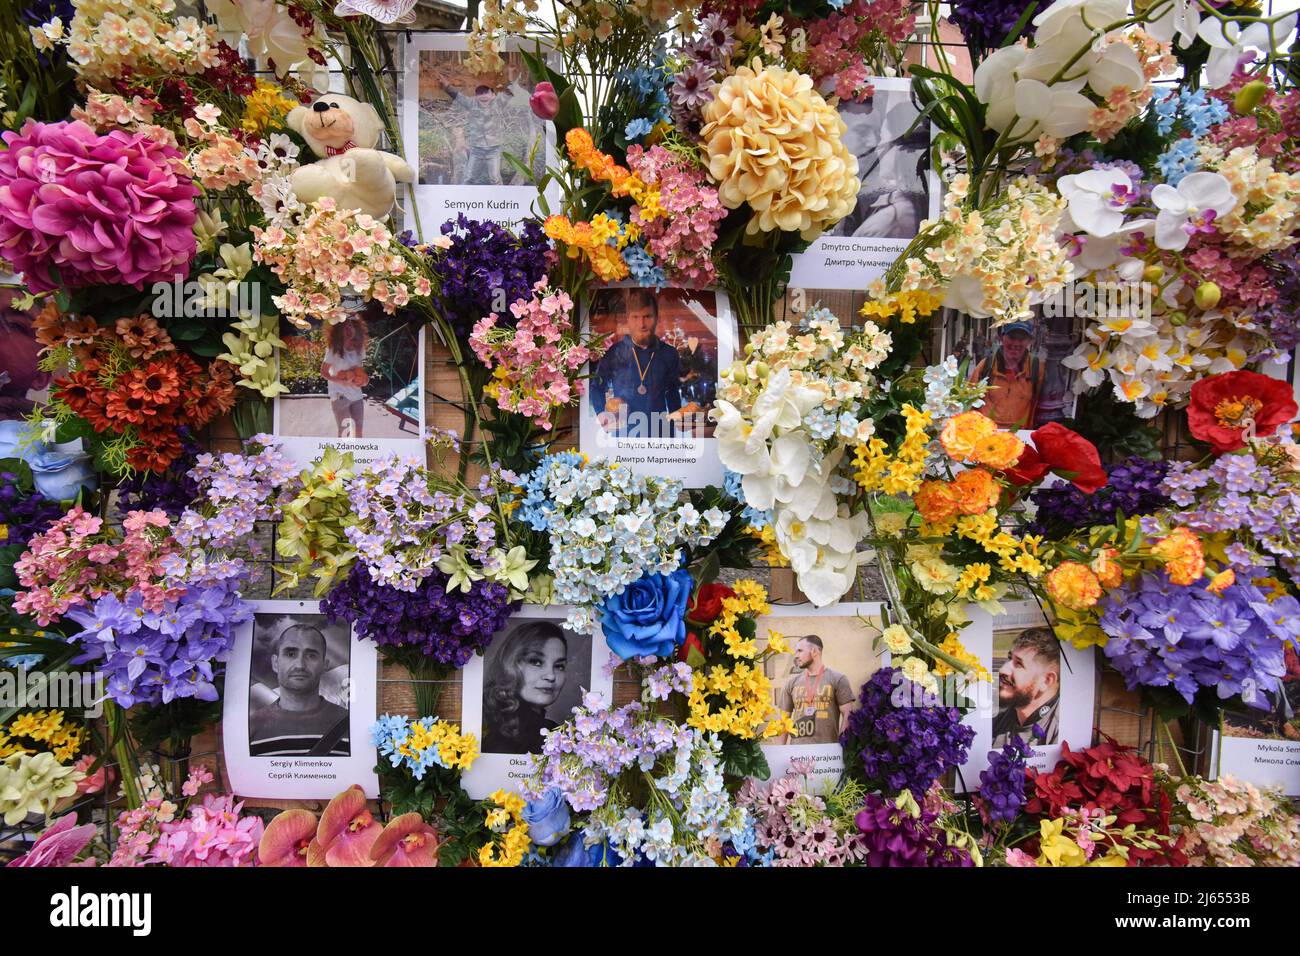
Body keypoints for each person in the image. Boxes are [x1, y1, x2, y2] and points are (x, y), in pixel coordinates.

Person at [590, 289, 684, 438]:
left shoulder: (669, 353)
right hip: (624, 435)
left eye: (647, 316)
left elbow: (673, 393)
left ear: (656, 317)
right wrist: (603, 416)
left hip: (660, 434)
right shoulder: (614, 353)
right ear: (627, 318)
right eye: (635, 317)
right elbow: (595, 386)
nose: (642, 324)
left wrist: (678, 423)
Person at [249, 623, 350, 757]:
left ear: (324, 665)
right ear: (275, 663)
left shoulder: (350, 723)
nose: (300, 665)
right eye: (290, 654)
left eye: (311, 655)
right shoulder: (250, 727)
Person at [483, 622, 570, 754]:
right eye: (536, 662)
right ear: (510, 665)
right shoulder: (499, 741)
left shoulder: (553, 732)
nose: (551, 676)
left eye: (559, 666)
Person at [430, 68, 514, 186]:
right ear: (476, 95)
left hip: (493, 150)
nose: (483, 96)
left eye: (486, 93)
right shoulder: (471, 103)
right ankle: (463, 200)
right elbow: (456, 95)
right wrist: (446, 84)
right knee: (468, 179)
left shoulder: (498, 104)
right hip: (476, 150)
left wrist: (510, 74)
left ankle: (499, 201)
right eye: (480, 93)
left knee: (495, 180)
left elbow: (509, 92)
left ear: (493, 94)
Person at [777, 636, 855, 745]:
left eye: (800, 651)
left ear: (814, 651)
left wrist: (840, 746)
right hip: (797, 753)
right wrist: (781, 751)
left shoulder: (838, 679)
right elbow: (783, 720)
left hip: (827, 753)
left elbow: (848, 714)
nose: (796, 656)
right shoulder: (791, 683)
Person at [991, 627, 1061, 749]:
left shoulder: (1061, 729)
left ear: (1046, 680)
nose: (1003, 670)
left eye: (1019, 664)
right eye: (1009, 658)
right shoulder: (996, 721)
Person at [968, 320, 1045, 431]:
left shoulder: (1036, 368)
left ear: (1029, 341)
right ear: (1001, 337)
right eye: (1012, 337)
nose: (1016, 343)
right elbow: (970, 400)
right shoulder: (986, 365)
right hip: (987, 434)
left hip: (1020, 436)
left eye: (1022, 339)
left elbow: (1039, 405)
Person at [321, 316, 369, 438]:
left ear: (356, 328)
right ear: (338, 330)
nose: (348, 329)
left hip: (357, 395)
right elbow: (324, 372)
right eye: (344, 326)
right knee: (345, 432)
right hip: (340, 396)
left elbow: (360, 371)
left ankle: (359, 456)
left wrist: (364, 380)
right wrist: (340, 381)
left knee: (359, 431)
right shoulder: (333, 350)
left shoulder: (359, 348)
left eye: (350, 326)